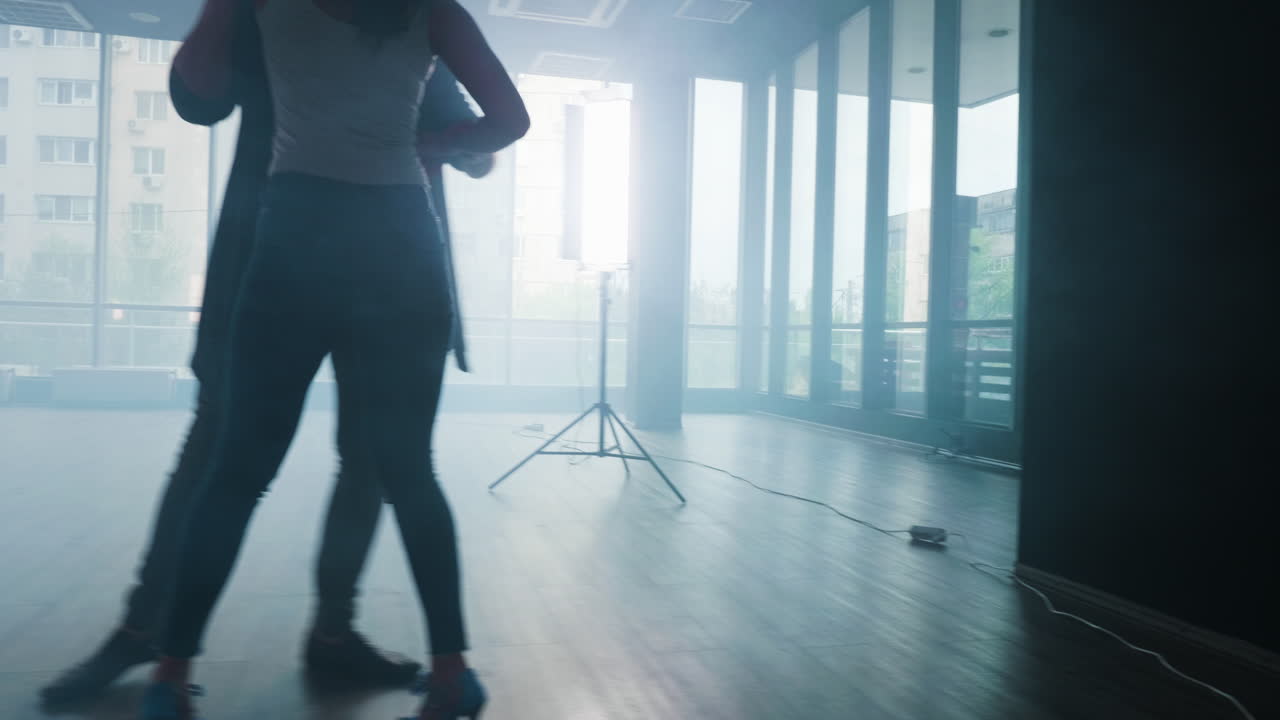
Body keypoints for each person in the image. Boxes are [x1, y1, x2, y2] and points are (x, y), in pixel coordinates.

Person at [39, 0, 495, 706]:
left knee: (364, 459)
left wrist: (461, 144)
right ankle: (148, 633)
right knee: (225, 445)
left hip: (370, 259)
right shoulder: (269, 10)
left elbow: (476, 144)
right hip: (279, 251)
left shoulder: (404, 11)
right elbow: (196, 101)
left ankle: (325, 636)